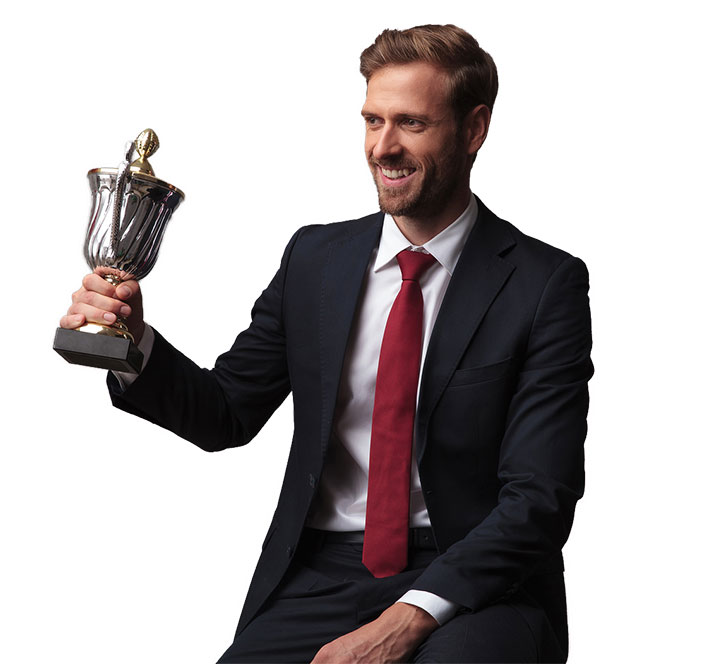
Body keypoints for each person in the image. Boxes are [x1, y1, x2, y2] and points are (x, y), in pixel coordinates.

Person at [60, 24, 592, 663]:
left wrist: (409, 618)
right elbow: (225, 411)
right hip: (322, 572)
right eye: (372, 120)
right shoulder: (316, 258)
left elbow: (539, 495)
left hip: (473, 578)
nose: (383, 147)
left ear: (475, 129)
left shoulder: (542, 283)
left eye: (411, 124)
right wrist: (131, 340)